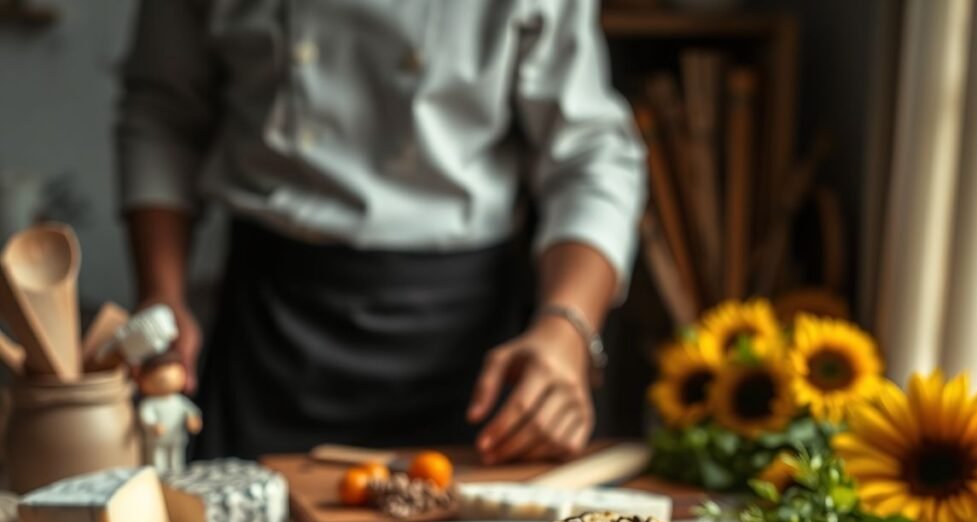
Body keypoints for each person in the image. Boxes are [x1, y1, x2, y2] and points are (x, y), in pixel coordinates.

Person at [116, 0, 646, 464]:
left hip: (472, 343)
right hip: (271, 328)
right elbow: (162, 113)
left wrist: (567, 327)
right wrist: (162, 295)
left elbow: (589, 154)